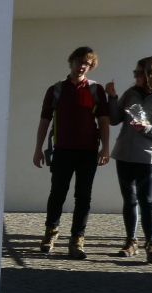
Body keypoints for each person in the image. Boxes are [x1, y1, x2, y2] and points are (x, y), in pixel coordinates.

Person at [33, 46, 110, 259]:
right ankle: (51, 232)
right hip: (62, 150)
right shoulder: (56, 89)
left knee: (83, 197)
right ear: (71, 62)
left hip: (88, 151)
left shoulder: (96, 89)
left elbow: (104, 120)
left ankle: (77, 239)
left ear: (90, 66)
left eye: (86, 63)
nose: (82, 66)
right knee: (57, 193)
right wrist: (38, 149)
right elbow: (44, 120)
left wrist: (105, 147)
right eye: (78, 61)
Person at [106, 56, 152, 263]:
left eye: (139, 73)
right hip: (124, 153)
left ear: (151, 74)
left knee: (146, 200)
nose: (136, 76)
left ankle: (151, 245)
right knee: (129, 199)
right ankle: (131, 241)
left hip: (149, 156)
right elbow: (114, 119)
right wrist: (112, 97)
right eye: (135, 73)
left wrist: (147, 129)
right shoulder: (131, 94)